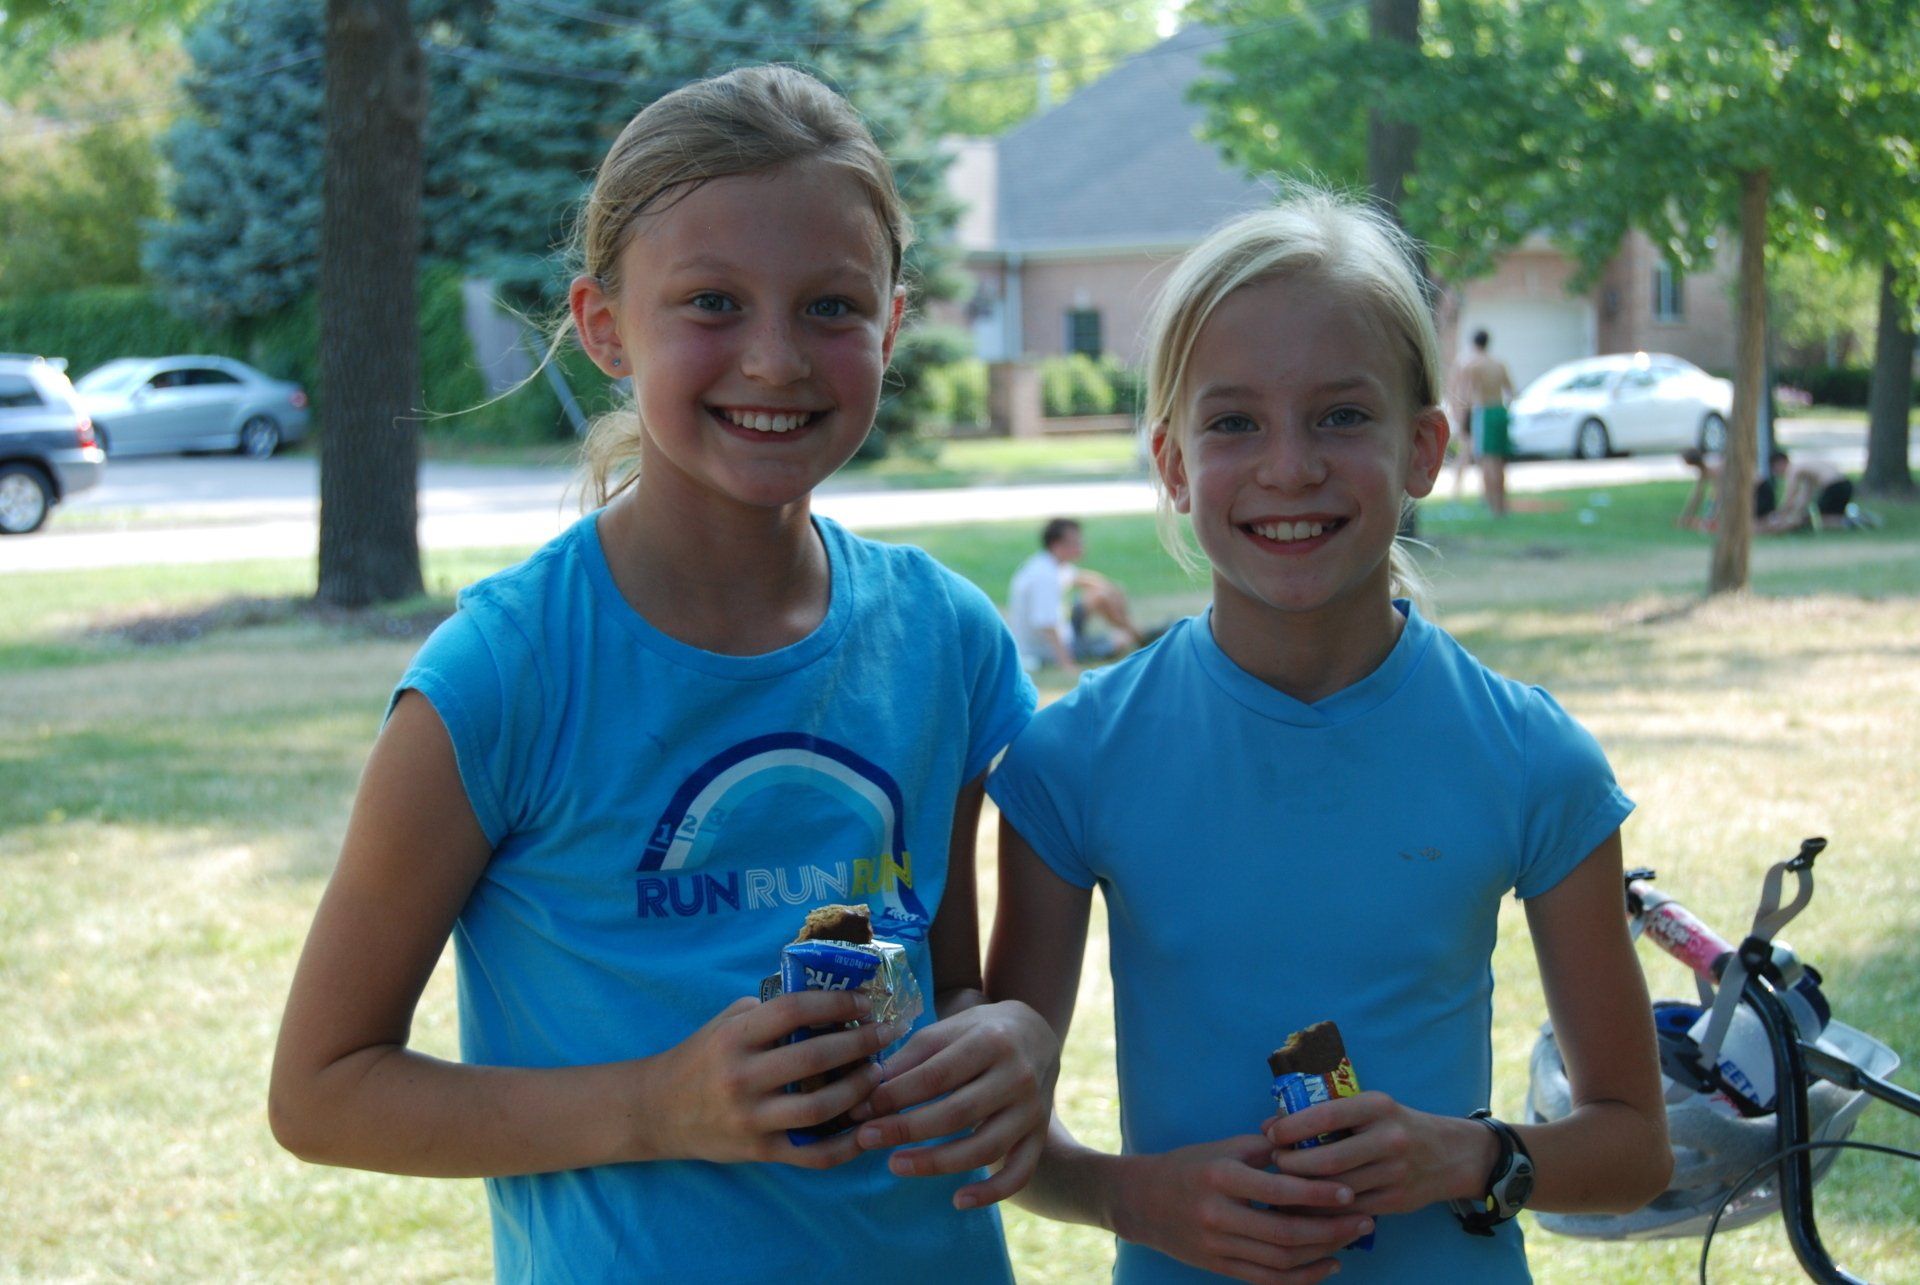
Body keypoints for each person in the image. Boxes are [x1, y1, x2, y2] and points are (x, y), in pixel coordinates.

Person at [268, 67, 1057, 1281]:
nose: (777, 359)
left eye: (832, 307)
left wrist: (999, 1035)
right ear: (603, 325)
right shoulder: (504, 672)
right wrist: (654, 1104)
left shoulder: (945, 638)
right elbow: (322, 1092)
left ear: (894, 324)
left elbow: (943, 989)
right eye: (712, 302)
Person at [982, 190, 1671, 1284]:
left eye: (1343, 416)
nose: (1290, 466)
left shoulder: (1532, 757)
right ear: (1171, 460)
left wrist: (1471, 1152)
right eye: (1234, 421)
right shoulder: (1074, 762)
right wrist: (1138, 1198)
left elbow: (1634, 1146)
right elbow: (1004, 1132)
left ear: (1425, 447)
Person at [1008, 517, 1141, 673]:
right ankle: (1136, 637)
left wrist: (1112, 589)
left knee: (1102, 593)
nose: (1082, 545)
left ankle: (1134, 633)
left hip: (1065, 629)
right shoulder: (1045, 577)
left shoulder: (1050, 564)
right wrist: (1067, 664)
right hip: (1045, 649)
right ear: (1058, 545)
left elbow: (1083, 579)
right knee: (1121, 641)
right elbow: (1047, 625)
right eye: (1076, 542)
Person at [1450, 329, 1517, 516]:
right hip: (1500, 411)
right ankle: (1503, 505)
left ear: (1474, 343)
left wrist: (1462, 420)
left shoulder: (1473, 365)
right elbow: (1511, 392)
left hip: (1485, 413)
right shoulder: (1499, 364)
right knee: (1500, 460)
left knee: (1487, 461)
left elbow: (1464, 394)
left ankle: (1493, 506)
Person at [1758, 449, 1857, 533]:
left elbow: (1790, 496)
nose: (1778, 473)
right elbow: (1805, 496)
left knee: (1822, 518)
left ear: (1780, 463)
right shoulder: (1804, 469)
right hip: (1845, 484)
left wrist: (1779, 515)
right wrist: (1797, 514)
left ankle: (1849, 523)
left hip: (1834, 486)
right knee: (1830, 515)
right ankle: (1854, 520)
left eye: (1775, 469)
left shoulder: (1793, 470)